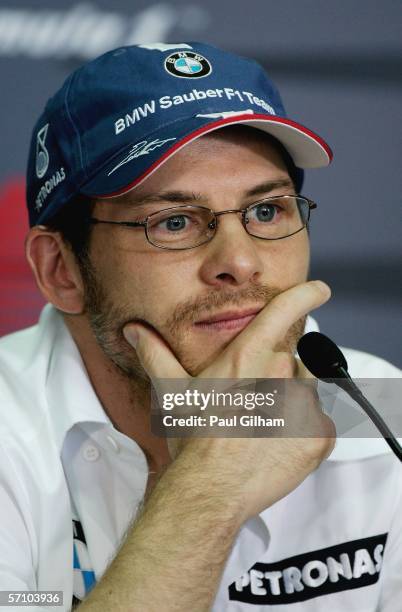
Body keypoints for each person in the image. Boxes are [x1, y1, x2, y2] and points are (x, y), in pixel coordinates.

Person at [0, 42, 401, 611]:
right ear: (62, 270)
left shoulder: (381, 409)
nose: (239, 263)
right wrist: (208, 487)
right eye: (176, 221)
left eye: (267, 211)